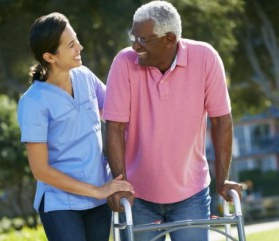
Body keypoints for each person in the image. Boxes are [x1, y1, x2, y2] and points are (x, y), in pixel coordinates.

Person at [103, 1, 243, 241]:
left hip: (191, 193)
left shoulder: (206, 58)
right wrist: (120, 184)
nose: (135, 45)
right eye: (133, 37)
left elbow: (221, 120)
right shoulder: (124, 63)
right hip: (137, 196)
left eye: (143, 40)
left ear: (169, 39)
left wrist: (222, 179)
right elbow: (114, 127)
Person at [17, 12, 134, 241]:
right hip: (61, 203)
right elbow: (40, 170)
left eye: (76, 39)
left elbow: (116, 113)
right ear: (50, 56)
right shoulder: (33, 102)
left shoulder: (85, 76)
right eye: (71, 45)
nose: (79, 47)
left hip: (99, 198)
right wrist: (97, 190)